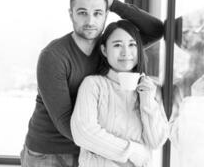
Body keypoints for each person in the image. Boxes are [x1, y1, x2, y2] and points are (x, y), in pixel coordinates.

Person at [21, 0, 165, 167]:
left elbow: (155, 30)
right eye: (82, 13)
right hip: (51, 152)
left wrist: (114, 4)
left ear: (106, 14)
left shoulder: (112, 48)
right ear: (71, 14)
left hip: (95, 152)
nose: (90, 21)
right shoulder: (54, 56)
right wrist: (125, 148)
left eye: (98, 13)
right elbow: (65, 121)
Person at [71, 20, 169, 167]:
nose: (126, 52)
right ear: (104, 50)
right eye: (117, 45)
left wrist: (147, 100)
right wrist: (133, 152)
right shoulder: (93, 84)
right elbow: (83, 133)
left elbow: (156, 141)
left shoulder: (150, 88)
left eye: (132, 45)